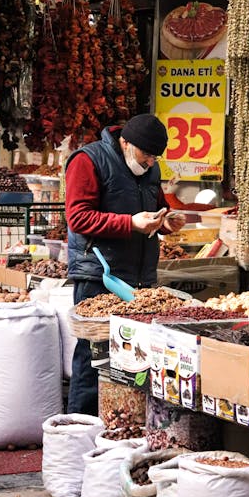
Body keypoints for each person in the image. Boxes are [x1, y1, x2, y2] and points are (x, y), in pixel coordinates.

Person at [65, 113, 186, 415]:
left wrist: (166, 222)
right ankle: (80, 426)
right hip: (99, 275)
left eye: (155, 157)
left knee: (134, 360)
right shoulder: (88, 160)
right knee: (94, 357)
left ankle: (122, 426)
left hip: (140, 279)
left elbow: (156, 209)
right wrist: (129, 223)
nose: (150, 162)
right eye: (147, 154)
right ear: (126, 142)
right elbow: (77, 218)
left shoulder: (150, 169)